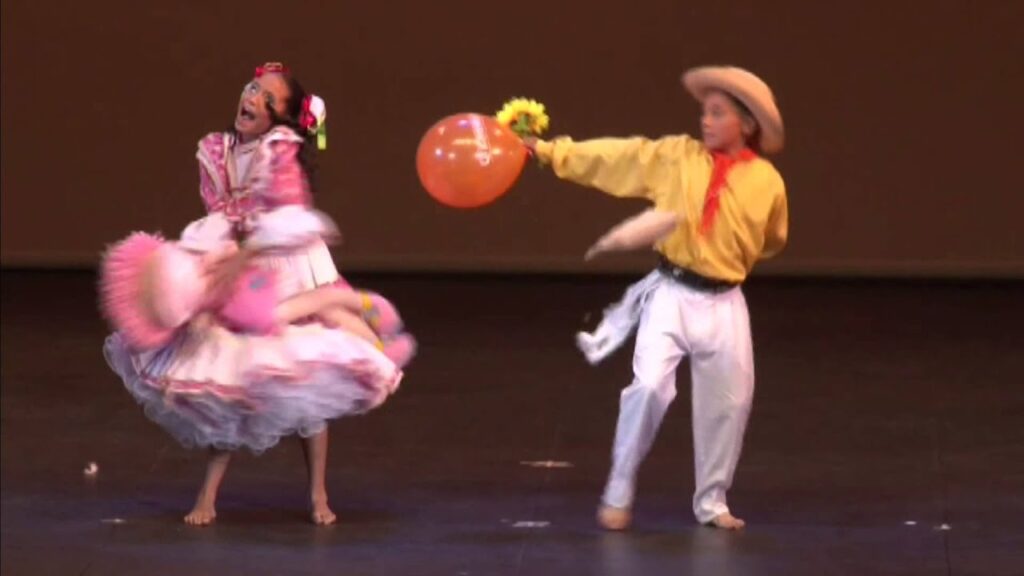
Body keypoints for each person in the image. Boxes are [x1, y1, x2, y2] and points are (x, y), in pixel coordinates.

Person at [102, 62, 414, 526]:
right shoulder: (216, 149)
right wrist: (207, 259)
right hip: (234, 262)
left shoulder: (279, 151)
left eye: (269, 98)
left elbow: (289, 217)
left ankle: (317, 493)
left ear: (281, 119)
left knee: (306, 374)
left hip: (283, 263)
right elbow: (217, 211)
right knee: (228, 375)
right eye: (252, 88)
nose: (253, 98)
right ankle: (208, 494)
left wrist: (246, 251)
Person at [526, 66, 788, 530]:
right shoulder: (676, 157)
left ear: (746, 125)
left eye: (717, 113)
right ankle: (618, 489)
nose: (705, 121)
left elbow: (771, 239)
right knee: (646, 388)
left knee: (728, 405)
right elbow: (616, 157)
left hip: (725, 302)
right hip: (671, 293)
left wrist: (726, 253)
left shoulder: (767, 182)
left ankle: (712, 503)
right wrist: (550, 152)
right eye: (704, 112)